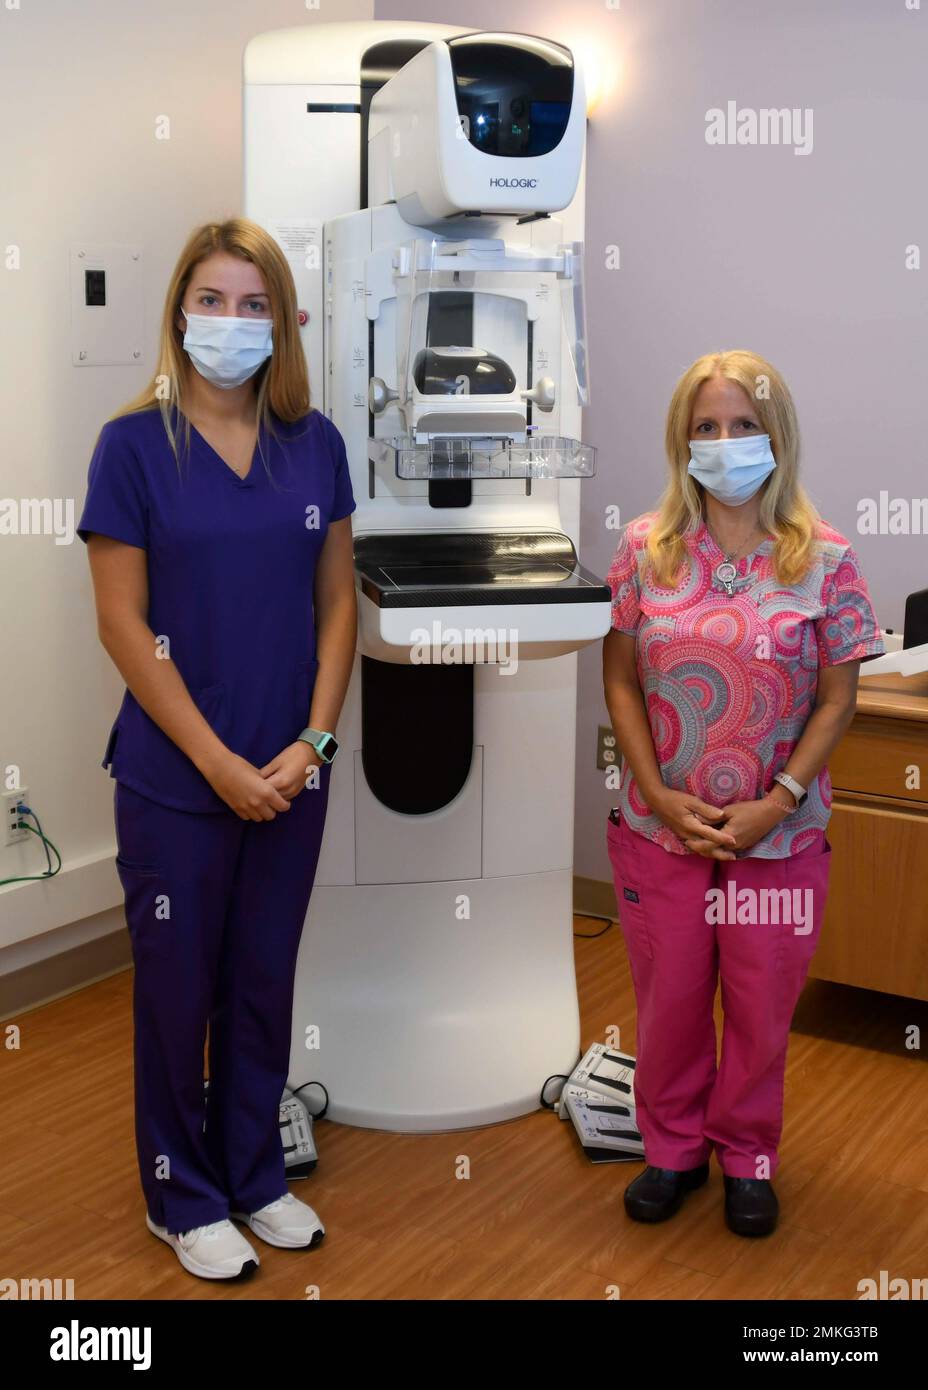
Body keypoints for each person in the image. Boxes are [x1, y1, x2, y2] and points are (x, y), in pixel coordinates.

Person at [77, 218, 358, 1280]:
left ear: (282, 322)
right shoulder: (133, 446)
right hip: (176, 775)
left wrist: (312, 742)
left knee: (260, 979)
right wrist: (217, 763)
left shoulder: (314, 442)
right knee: (176, 988)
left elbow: (339, 607)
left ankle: (252, 1175)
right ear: (179, 313)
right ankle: (178, 1192)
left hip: (292, 770)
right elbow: (122, 624)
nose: (229, 323)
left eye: (253, 305)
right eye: (210, 301)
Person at [602, 350, 883, 1237]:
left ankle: (749, 1158)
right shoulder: (645, 550)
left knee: (761, 1006)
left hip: (779, 831)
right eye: (706, 428)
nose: (726, 444)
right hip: (663, 825)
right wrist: (654, 789)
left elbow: (840, 696)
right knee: (671, 998)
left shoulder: (825, 559)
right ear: (683, 443)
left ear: (778, 435)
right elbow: (618, 681)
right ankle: (672, 1151)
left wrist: (782, 796)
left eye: (744, 426)